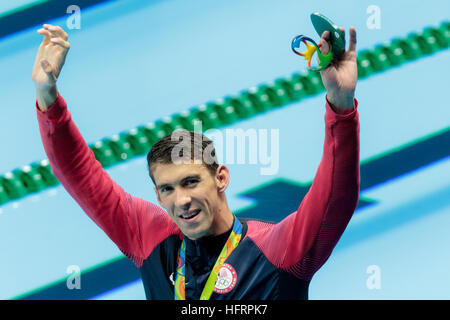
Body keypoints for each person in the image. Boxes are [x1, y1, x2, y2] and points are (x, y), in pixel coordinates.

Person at [32, 23, 360, 300]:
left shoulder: (274, 253)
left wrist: (341, 106)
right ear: (158, 196)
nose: (182, 200)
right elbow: (81, 177)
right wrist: (47, 96)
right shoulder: (153, 240)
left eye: (191, 182)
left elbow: (335, 199)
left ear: (220, 178)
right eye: (168, 189)